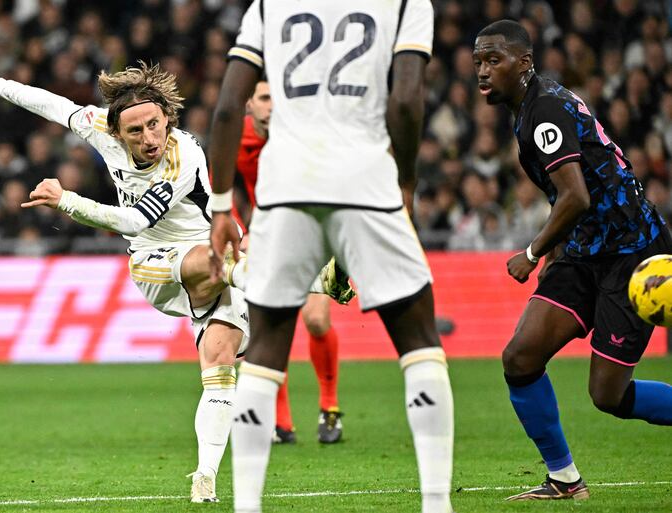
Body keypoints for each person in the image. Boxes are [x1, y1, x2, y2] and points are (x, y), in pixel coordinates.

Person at [0, 63, 251, 505]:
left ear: (168, 116)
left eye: (155, 125)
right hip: (155, 266)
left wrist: (65, 200)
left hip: (213, 256)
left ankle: (204, 478)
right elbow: (55, 105)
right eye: (136, 132)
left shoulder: (184, 155)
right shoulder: (100, 129)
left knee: (219, 364)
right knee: (219, 261)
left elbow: (133, 216)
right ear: (115, 131)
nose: (149, 139)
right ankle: (312, 279)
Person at [208, 2, 455, 513]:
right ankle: (436, 504)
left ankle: (246, 506)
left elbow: (229, 105)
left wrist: (219, 205)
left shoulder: (267, 5)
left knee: (266, 346)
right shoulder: (408, 3)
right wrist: (405, 181)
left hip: (285, 186)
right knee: (418, 341)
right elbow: (407, 101)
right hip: (366, 178)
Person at [473, 19, 672, 501]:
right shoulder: (531, 105)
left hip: (632, 254)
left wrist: (532, 251)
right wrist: (560, 249)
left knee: (608, 395)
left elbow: (576, 195)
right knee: (520, 357)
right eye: (479, 61)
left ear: (524, 63)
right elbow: (576, 190)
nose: (482, 71)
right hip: (586, 251)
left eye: (493, 60)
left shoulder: (544, 111)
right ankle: (564, 479)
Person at [235, 79, 345, 444]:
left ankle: (329, 409)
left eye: (278, 98)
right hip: (268, 239)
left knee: (315, 319)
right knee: (271, 327)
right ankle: (282, 423)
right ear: (249, 105)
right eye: (266, 98)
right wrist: (239, 230)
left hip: (315, 233)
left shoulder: (302, 135)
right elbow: (217, 190)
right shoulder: (236, 142)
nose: (273, 106)